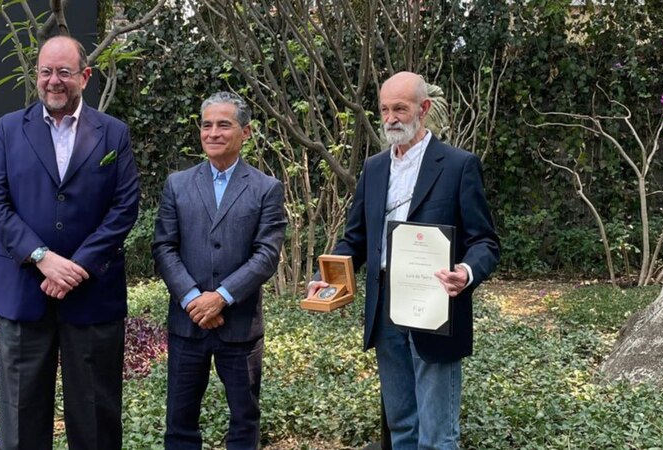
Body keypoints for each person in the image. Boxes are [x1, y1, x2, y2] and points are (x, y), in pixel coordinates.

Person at [308, 72, 499, 449]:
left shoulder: (459, 165)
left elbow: (485, 242)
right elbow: (356, 238)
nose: (391, 117)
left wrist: (466, 271)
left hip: (436, 306)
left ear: (423, 109)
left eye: (400, 108)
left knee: (438, 433)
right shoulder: (374, 168)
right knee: (401, 427)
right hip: (385, 311)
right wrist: (325, 275)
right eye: (384, 109)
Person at [0, 35, 139, 450]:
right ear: (37, 76)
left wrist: (78, 266)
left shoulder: (114, 134)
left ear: (84, 77)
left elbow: (124, 208)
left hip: (93, 295)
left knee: (96, 419)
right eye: (46, 72)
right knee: (21, 418)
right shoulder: (10, 129)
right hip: (22, 292)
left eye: (64, 72)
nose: (54, 81)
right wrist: (42, 258)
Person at [152, 91, 287, 449]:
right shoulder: (177, 185)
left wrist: (222, 297)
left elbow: (266, 255)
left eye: (223, 125)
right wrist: (194, 299)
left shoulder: (266, 189)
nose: (212, 132)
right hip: (188, 323)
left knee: (244, 422)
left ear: (246, 133)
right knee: (179, 423)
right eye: (206, 125)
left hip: (239, 326)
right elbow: (164, 247)